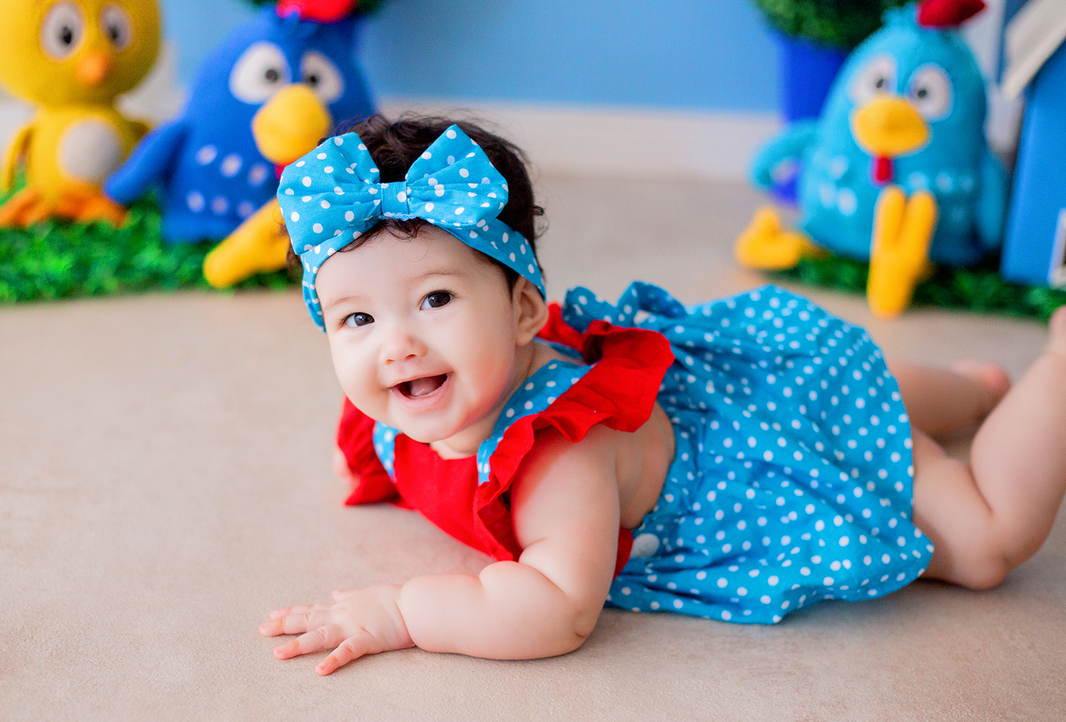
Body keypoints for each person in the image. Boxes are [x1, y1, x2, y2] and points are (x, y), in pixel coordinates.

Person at [260, 115, 1066, 675]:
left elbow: (555, 609)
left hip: (762, 471)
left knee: (985, 545)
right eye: (357, 318)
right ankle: (970, 391)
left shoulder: (560, 457)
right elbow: (393, 449)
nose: (395, 344)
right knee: (857, 392)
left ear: (524, 312)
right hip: (730, 401)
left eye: (435, 299)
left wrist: (402, 612)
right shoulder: (407, 398)